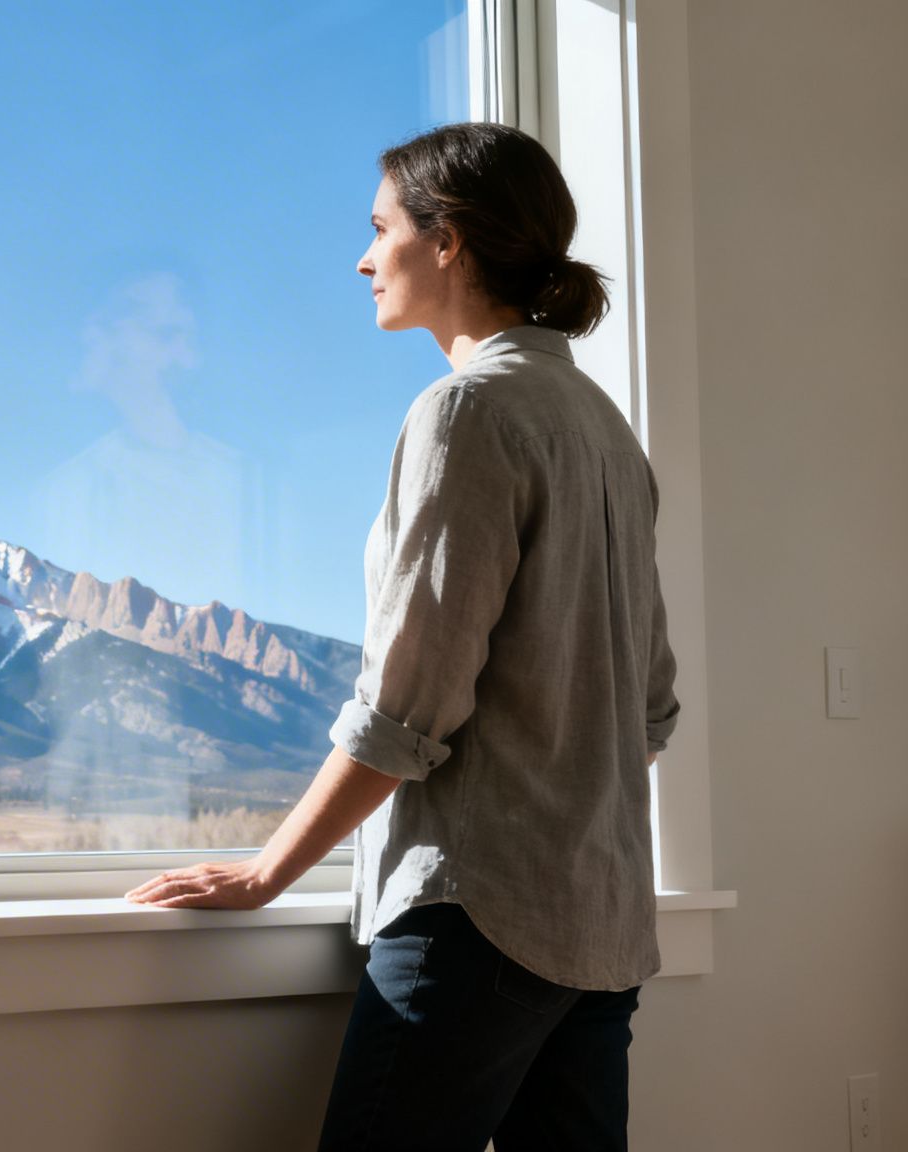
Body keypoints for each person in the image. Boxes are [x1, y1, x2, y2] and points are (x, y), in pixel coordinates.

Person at [125, 121, 679, 1151]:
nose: (362, 256)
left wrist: (262, 874)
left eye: (379, 228)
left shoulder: (466, 411)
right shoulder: (605, 432)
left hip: (477, 925)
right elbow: (648, 708)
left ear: (448, 241)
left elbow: (403, 709)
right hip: (599, 926)